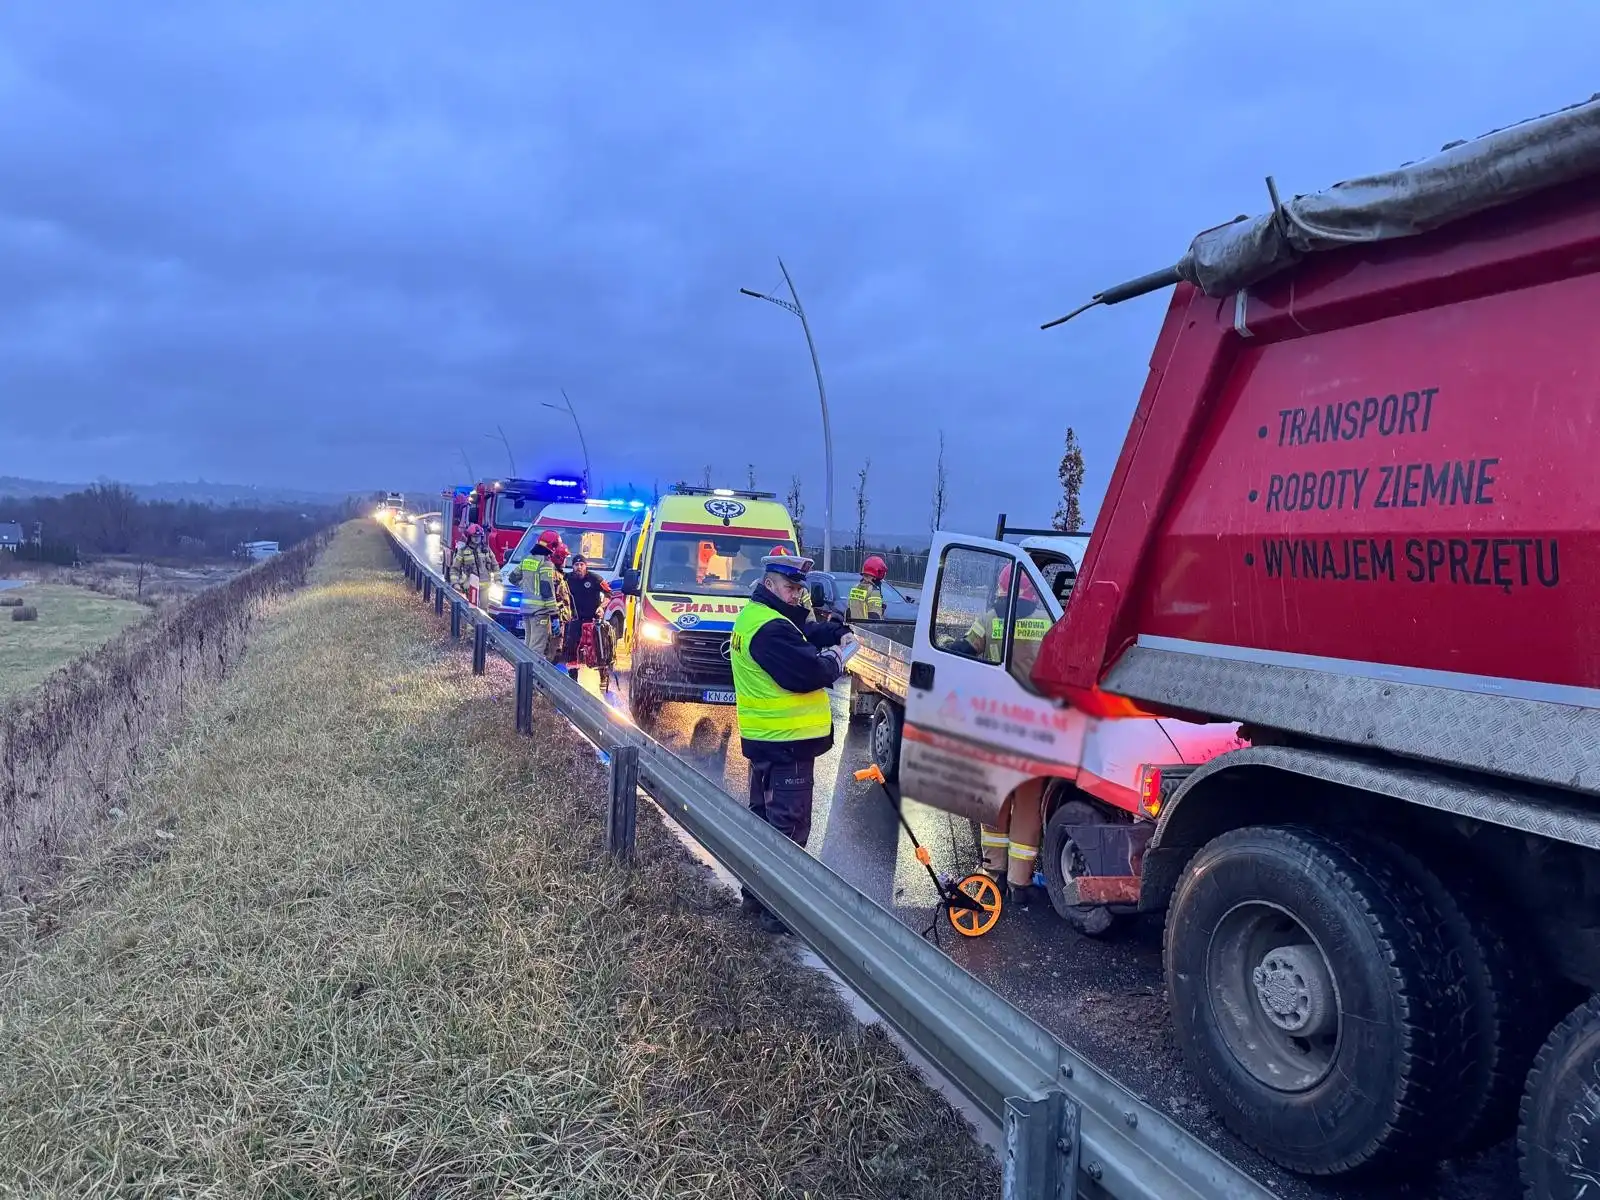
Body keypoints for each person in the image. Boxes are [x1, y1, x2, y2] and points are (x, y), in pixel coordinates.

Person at [729, 551, 855, 933]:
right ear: (769, 585)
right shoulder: (769, 629)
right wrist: (839, 656)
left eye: (800, 589)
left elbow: (803, 631)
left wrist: (835, 630)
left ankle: (755, 896)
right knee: (788, 829)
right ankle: (777, 913)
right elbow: (807, 671)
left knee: (763, 823)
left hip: (768, 742)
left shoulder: (760, 618)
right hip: (788, 747)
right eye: (789, 588)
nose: (797, 595)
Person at [948, 562, 1054, 903]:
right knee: (1027, 804)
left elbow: (967, 648)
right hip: (1035, 730)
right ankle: (1019, 884)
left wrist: (946, 646)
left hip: (997, 725)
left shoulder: (991, 619)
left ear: (1003, 589)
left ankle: (993, 871)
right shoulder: (1050, 621)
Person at [563, 554, 615, 690]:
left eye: (581, 565)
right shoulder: (567, 579)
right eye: (576, 565)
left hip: (593, 620)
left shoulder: (595, 579)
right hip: (575, 619)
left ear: (586, 566)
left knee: (599, 649)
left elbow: (609, 594)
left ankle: (603, 676)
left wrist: (601, 607)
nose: (579, 567)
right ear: (572, 566)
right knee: (570, 648)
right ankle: (572, 678)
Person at [512, 529, 563, 656]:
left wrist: (525, 587)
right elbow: (547, 591)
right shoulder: (546, 563)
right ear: (552, 546)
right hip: (540, 611)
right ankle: (531, 674)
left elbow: (512, 578)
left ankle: (522, 673)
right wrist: (555, 615)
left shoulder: (527, 559)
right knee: (537, 649)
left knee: (528, 645)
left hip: (526, 610)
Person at [451, 524, 499, 607]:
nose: (476, 538)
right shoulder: (463, 551)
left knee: (484, 611)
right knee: (472, 609)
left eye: (479, 536)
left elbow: (495, 566)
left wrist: (498, 580)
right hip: (470, 587)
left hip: (485, 588)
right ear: (469, 537)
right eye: (474, 536)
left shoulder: (486, 550)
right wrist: (455, 583)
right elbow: (455, 569)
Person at [546, 541, 575, 667]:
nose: (565, 561)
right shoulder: (553, 575)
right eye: (564, 558)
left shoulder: (559, 574)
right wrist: (554, 619)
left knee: (556, 651)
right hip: (554, 617)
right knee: (552, 653)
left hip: (559, 618)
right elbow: (552, 597)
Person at [847, 556, 888, 620]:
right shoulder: (873, 591)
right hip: (865, 628)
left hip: (854, 626)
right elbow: (875, 616)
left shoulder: (855, 588)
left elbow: (849, 611)